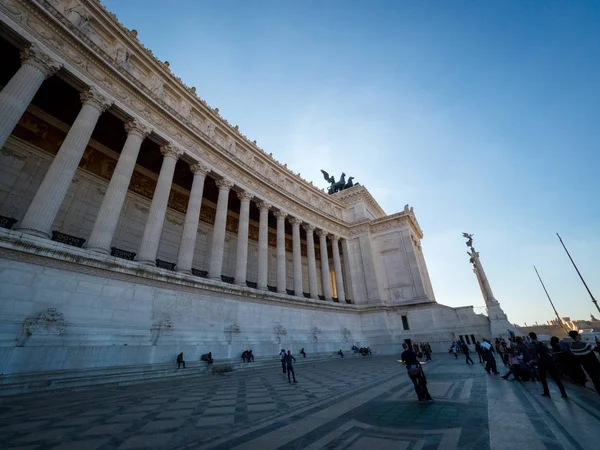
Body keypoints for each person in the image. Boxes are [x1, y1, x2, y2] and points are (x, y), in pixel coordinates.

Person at [529, 332, 567, 399]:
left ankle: (546, 392)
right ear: (536, 336)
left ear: (530, 337)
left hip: (541, 362)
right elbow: (549, 351)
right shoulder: (542, 343)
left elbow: (533, 354)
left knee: (543, 378)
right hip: (549, 361)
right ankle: (563, 393)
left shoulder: (531, 345)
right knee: (556, 378)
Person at [569, 330, 600, 395]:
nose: (580, 336)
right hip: (595, 365)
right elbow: (597, 349)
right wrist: (598, 343)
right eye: (579, 335)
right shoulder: (584, 344)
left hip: (587, 367)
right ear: (576, 336)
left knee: (595, 381)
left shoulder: (571, 347)